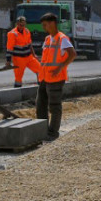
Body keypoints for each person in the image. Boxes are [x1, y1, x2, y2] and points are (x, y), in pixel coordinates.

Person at [36, 12, 76, 141]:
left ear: (53, 23)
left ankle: (53, 133)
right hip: (44, 78)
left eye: (45, 25)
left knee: (54, 106)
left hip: (56, 78)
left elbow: (72, 54)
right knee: (40, 105)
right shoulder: (47, 39)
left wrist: (60, 67)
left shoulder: (62, 38)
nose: (44, 28)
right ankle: (42, 130)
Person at [4, 16, 41, 88]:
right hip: (18, 59)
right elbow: (9, 49)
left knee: (41, 70)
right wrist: (8, 61)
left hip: (29, 57)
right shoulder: (12, 34)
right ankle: (17, 92)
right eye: (20, 25)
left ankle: (41, 88)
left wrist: (34, 55)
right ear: (17, 24)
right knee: (18, 77)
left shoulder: (26, 31)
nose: (22, 27)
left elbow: (30, 44)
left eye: (23, 25)